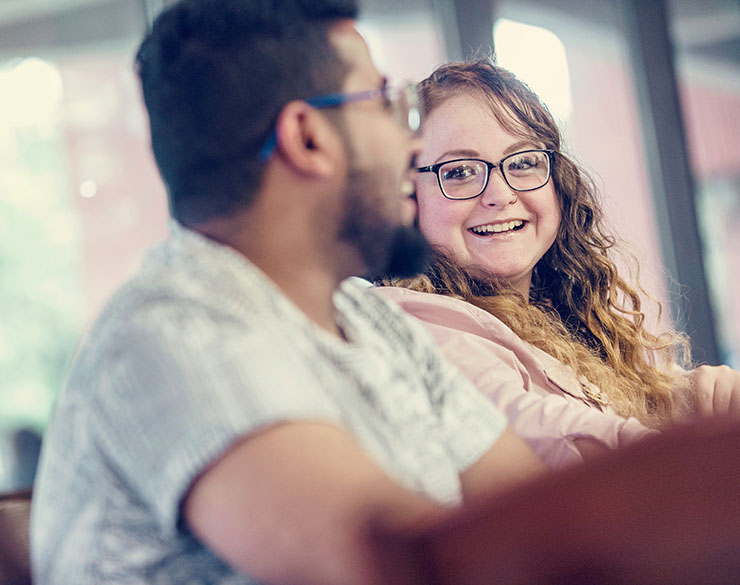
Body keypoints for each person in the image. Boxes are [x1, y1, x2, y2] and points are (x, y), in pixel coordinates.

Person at [30, 5, 546, 585]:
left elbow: (540, 518)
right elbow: (403, 566)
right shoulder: (172, 335)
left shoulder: (372, 321)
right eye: (384, 103)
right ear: (306, 137)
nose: (413, 142)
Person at [376, 59, 740, 468]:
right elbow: (547, 433)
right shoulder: (416, 321)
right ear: (406, 196)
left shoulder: (558, 318)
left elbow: (627, 401)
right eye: (459, 171)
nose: (500, 194)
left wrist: (701, 394)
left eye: (522, 162)